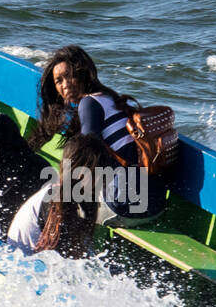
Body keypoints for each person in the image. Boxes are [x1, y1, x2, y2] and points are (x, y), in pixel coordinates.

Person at [30, 45, 167, 226]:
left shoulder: (89, 103)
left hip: (126, 205)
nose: (65, 84)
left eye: (69, 75)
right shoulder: (109, 98)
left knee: (59, 204)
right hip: (155, 204)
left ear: (83, 73)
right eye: (58, 81)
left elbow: (87, 160)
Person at [7, 134, 116, 258]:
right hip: (22, 261)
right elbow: (61, 258)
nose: (104, 178)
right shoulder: (54, 201)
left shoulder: (82, 196)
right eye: (99, 173)